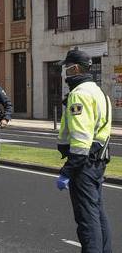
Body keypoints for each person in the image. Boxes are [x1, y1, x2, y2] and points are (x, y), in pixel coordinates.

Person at [56, 49, 112, 252]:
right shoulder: (99, 92)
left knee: (87, 220)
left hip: (84, 165)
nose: (65, 72)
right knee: (97, 213)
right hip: (98, 161)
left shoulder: (79, 95)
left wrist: (66, 171)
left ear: (76, 68)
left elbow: (80, 142)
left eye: (66, 68)